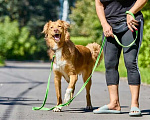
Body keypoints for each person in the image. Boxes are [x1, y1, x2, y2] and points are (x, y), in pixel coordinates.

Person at [94, 0, 148, 116]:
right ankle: (114, 104)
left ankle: (134, 104)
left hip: (130, 23)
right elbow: (99, 4)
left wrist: (131, 12)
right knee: (109, 64)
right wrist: (104, 23)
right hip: (109, 26)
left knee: (130, 62)